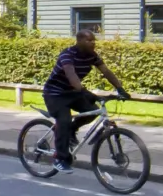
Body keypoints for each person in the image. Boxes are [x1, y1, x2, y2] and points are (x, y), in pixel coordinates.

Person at [42, 28, 128, 170]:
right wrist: (82, 91)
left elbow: (106, 71)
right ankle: (60, 159)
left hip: (73, 92)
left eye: (94, 40)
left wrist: (120, 88)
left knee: (94, 111)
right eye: (89, 40)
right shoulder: (67, 54)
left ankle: (71, 131)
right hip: (55, 94)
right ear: (79, 40)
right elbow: (71, 74)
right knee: (64, 120)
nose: (93, 43)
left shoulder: (92, 55)